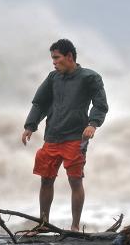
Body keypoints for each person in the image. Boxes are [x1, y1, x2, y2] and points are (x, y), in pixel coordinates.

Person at [21, 39, 108, 232]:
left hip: (76, 138)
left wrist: (93, 124)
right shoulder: (53, 78)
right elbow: (40, 103)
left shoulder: (90, 77)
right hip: (52, 136)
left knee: (75, 180)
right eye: (52, 58)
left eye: (56, 58)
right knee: (46, 179)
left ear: (69, 57)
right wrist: (30, 125)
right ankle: (43, 223)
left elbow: (100, 104)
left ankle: (75, 226)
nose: (53, 62)